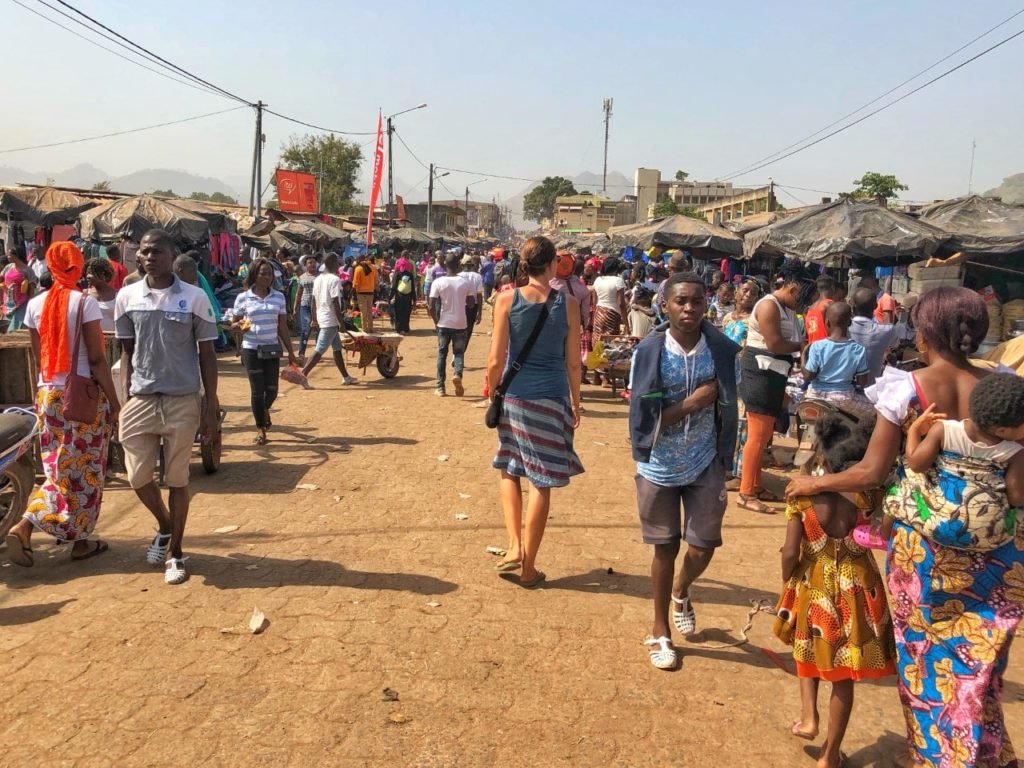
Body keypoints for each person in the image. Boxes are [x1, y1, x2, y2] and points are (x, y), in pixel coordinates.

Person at [785, 287, 1024, 768]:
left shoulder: (908, 388)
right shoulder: (1000, 381)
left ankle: (937, 754)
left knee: (926, 659)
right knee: (979, 660)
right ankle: (983, 752)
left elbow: (870, 472)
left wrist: (810, 483)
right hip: (997, 549)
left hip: (928, 552)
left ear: (925, 330)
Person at [629, 271, 740, 670]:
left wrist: (728, 453)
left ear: (706, 304)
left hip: (705, 459)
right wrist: (694, 403)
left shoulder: (722, 351)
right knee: (665, 547)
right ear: (665, 305)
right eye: (680, 301)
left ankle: (682, 589)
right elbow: (644, 418)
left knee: (704, 544)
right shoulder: (650, 352)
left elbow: (730, 407)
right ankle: (661, 629)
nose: (688, 308)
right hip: (659, 462)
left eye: (696, 301)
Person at [775, 411, 896, 768]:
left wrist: (788, 581)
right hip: (860, 587)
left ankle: (809, 715)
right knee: (844, 675)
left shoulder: (802, 495)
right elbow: (884, 529)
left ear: (823, 457)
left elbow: (788, 551)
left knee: (807, 648)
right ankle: (830, 755)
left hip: (814, 582)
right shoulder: (870, 495)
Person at [6, 242, 121, 567]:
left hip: (47, 397)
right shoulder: (84, 304)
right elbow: (98, 360)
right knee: (83, 472)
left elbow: (37, 357)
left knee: (58, 468)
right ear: (78, 266)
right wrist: (114, 403)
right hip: (81, 398)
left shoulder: (34, 305)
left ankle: (74, 537)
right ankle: (28, 523)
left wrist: (37, 398)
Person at [114, 229, 219, 586]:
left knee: (177, 479)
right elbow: (126, 352)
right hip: (141, 399)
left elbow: (208, 354)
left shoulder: (194, 297)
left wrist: (210, 405)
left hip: (182, 399)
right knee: (137, 476)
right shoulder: (126, 297)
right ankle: (164, 525)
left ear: (173, 254)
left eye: (157, 251)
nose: (149, 257)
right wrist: (125, 398)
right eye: (144, 251)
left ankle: (175, 554)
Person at [487, 236, 583, 587]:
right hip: (553, 398)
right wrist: (576, 401)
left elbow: (496, 359)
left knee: (509, 469)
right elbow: (574, 362)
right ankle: (529, 568)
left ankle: (514, 546)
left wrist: (493, 395)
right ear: (553, 264)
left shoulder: (505, 299)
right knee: (541, 482)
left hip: (514, 396)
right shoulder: (568, 304)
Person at [736, 273, 805, 513]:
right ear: (791, 288)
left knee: (764, 434)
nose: (800, 304)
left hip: (773, 373)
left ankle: (755, 485)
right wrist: (804, 345)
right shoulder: (768, 305)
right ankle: (745, 493)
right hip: (760, 373)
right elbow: (775, 344)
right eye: (799, 297)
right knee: (757, 434)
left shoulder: (784, 308)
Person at [232, 258, 300, 445]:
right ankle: (261, 428)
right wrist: (238, 327)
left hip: (271, 349)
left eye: (269, 274)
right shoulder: (243, 298)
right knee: (257, 391)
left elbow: (282, 327)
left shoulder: (278, 297)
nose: (267, 277)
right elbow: (234, 324)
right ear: (254, 275)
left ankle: (264, 409)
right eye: (263, 273)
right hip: (251, 349)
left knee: (272, 390)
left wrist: (291, 353)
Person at [802, 302, 872, 417]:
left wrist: (804, 356)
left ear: (827, 322)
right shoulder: (858, 349)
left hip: (815, 396)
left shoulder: (817, 346)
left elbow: (808, 376)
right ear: (849, 323)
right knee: (877, 410)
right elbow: (862, 382)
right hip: (843, 398)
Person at [301, 252, 358, 385]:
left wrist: (314, 318)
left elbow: (313, 301)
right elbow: (335, 302)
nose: (339, 266)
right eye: (338, 263)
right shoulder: (334, 279)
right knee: (319, 349)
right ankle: (302, 374)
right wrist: (341, 322)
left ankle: (346, 377)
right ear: (332, 263)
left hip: (322, 317)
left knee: (337, 348)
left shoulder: (318, 279)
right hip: (330, 320)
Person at [429, 253, 474, 397]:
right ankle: (457, 374)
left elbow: (431, 306)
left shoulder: (438, 282)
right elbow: (472, 303)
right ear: (458, 265)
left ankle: (440, 387)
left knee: (442, 353)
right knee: (458, 353)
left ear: (445, 265)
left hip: (444, 323)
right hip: (461, 323)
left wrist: (436, 322)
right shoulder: (465, 282)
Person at [847, 287, 899, 386]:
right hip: (869, 392)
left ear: (852, 307)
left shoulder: (844, 328)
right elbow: (895, 344)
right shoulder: (886, 331)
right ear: (876, 306)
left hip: (844, 389)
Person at [591, 257, 628, 338]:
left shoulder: (598, 280)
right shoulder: (618, 281)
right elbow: (621, 304)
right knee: (610, 345)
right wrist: (627, 325)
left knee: (597, 343)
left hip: (598, 314)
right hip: (612, 316)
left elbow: (594, 302)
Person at [2, 245, 34, 332]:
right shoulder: (8, 267)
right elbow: (1, 279)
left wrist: (30, 305)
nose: (7, 256)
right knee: (6, 328)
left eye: (9, 254)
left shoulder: (28, 270)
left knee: (16, 329)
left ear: (15, 256)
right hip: (8, 303)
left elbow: (32, 289)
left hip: (21, 304)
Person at [293, 254, 318, 357]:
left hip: (318, 307)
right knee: (305, 330)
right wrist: (295, 307)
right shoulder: (302, 277)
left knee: (318, 330)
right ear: (305, 265)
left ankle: (317, 353)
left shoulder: (320, 276)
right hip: (305, 306)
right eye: (310, 262)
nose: (312, 264)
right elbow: (299, 293)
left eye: (314, 262)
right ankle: (301, 353)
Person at [85, 257, 117, 333]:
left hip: (113, 340)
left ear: (103, 274)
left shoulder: (118, 295)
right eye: (86, 274)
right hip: (92, 340)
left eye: (91, 273)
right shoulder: (85, 294)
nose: (87, 277)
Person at [458, 254, 484, 350]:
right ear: (472, 265)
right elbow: (479, 295)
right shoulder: (477, 277)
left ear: (462, 265)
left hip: (460, 306)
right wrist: (480, 312)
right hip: (472, 307)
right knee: (468, 330)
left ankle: (457, 352)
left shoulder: (458, 276)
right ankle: (461, 351)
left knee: (459, 330)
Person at [803, 275, 837, 345]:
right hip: (827, 349)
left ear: (818, 290)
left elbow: (807, 335)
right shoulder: (830, 305)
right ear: (833, 288)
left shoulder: (808, 309)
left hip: (812, 350)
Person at [390, 251, 417, 335]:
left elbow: (394, 287)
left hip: (399, 295)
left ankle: (399, 329)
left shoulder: (397, 274)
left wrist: (390, 296)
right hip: (408, 296)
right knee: (406, 312)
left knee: (398, 312)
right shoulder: (410, 275)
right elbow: (412, 288)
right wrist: (414, 299)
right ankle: (406, 329)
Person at [352, 252, 378, 332]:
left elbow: (356, 283)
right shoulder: (373, 267)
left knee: (363, 312)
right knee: (370, 311)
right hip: (370, 292)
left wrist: (354, 293)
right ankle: (371, 328)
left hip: (361, 293)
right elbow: (376, 280)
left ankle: (365, 329)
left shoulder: (358, 269)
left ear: (359, 260)